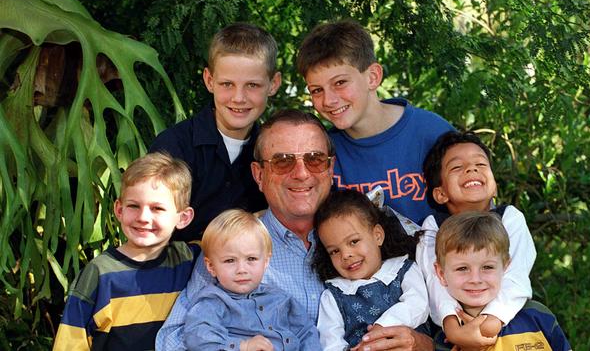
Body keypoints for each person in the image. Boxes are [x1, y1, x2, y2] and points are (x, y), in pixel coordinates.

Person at [157, 109, 434, 351]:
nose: (301, 173)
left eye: (314, 159)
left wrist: (422, 344)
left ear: (329, 168)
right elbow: (173, 338)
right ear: (258, 175)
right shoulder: (233, 246)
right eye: (283, 161)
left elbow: (448, 306)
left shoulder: (374, 225)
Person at [296, 19, 454, 225]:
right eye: (317, 90)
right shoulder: (324, 151)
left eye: (340, 83)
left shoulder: (432, 133)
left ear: (373, 77)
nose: (329, 100)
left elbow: (476, 207)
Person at [150, 22, 281, 242]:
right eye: (227, 84)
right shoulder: (173, 146)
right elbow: (150, 225)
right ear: (209, 81)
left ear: (273, 84)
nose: (239, 97)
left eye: (252, 85)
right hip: (179, 269)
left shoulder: (274, 151)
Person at [53, 152, 198, 350]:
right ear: (119, 210)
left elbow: (232, 240)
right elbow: (71, 341)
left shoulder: (188, 260)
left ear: (183, 218)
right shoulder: (100, 273)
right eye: (133, 206)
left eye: (157, 208)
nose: (143, 217)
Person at [416, 131, 536, 349]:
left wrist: (490, 323)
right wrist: (454, 329)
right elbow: (433, 281)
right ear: (440, 193)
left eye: (480, 164)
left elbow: (516, 276)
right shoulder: (433, 226)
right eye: (457, 167)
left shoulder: (510, 218)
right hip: (451, 334)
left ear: (494, 185)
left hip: (513, 323)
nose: (471, 169)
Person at [183, 209, 320, 350]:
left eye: (251, 259)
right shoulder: (213, 302)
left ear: (266, 261)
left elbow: (306, 332)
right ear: (211, 266)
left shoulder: (281, 299)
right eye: (230, 260)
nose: (242, 269)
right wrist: (242, 346)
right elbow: (197, 336)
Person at [433, 211, 571, 350]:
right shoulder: (444, 340)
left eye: (487, 267)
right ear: (441, 274)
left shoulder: (537, 316)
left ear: (505, 267)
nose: (475, 279)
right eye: (462, 268)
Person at [313, 190, 429, 350]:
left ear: (378, 235)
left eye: (353, 241)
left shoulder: (403, 269)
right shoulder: (334, 295)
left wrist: (382, 327)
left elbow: (417, 305)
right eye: (334, 251)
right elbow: (330, 341)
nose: (345, 255)